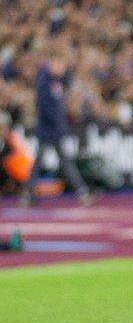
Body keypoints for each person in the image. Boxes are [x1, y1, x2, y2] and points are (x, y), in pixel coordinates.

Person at [23, 49, 95, 206]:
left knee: (54, 161)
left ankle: (81, 191)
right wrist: (58, 124)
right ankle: (81, 191)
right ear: (53, 63)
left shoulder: (54, 80)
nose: (62, 69)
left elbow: (67, 82)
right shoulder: (44, 80)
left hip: (52, 128)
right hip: (48, 129)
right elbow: (45, 107)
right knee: (54, 161)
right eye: (60, 65)